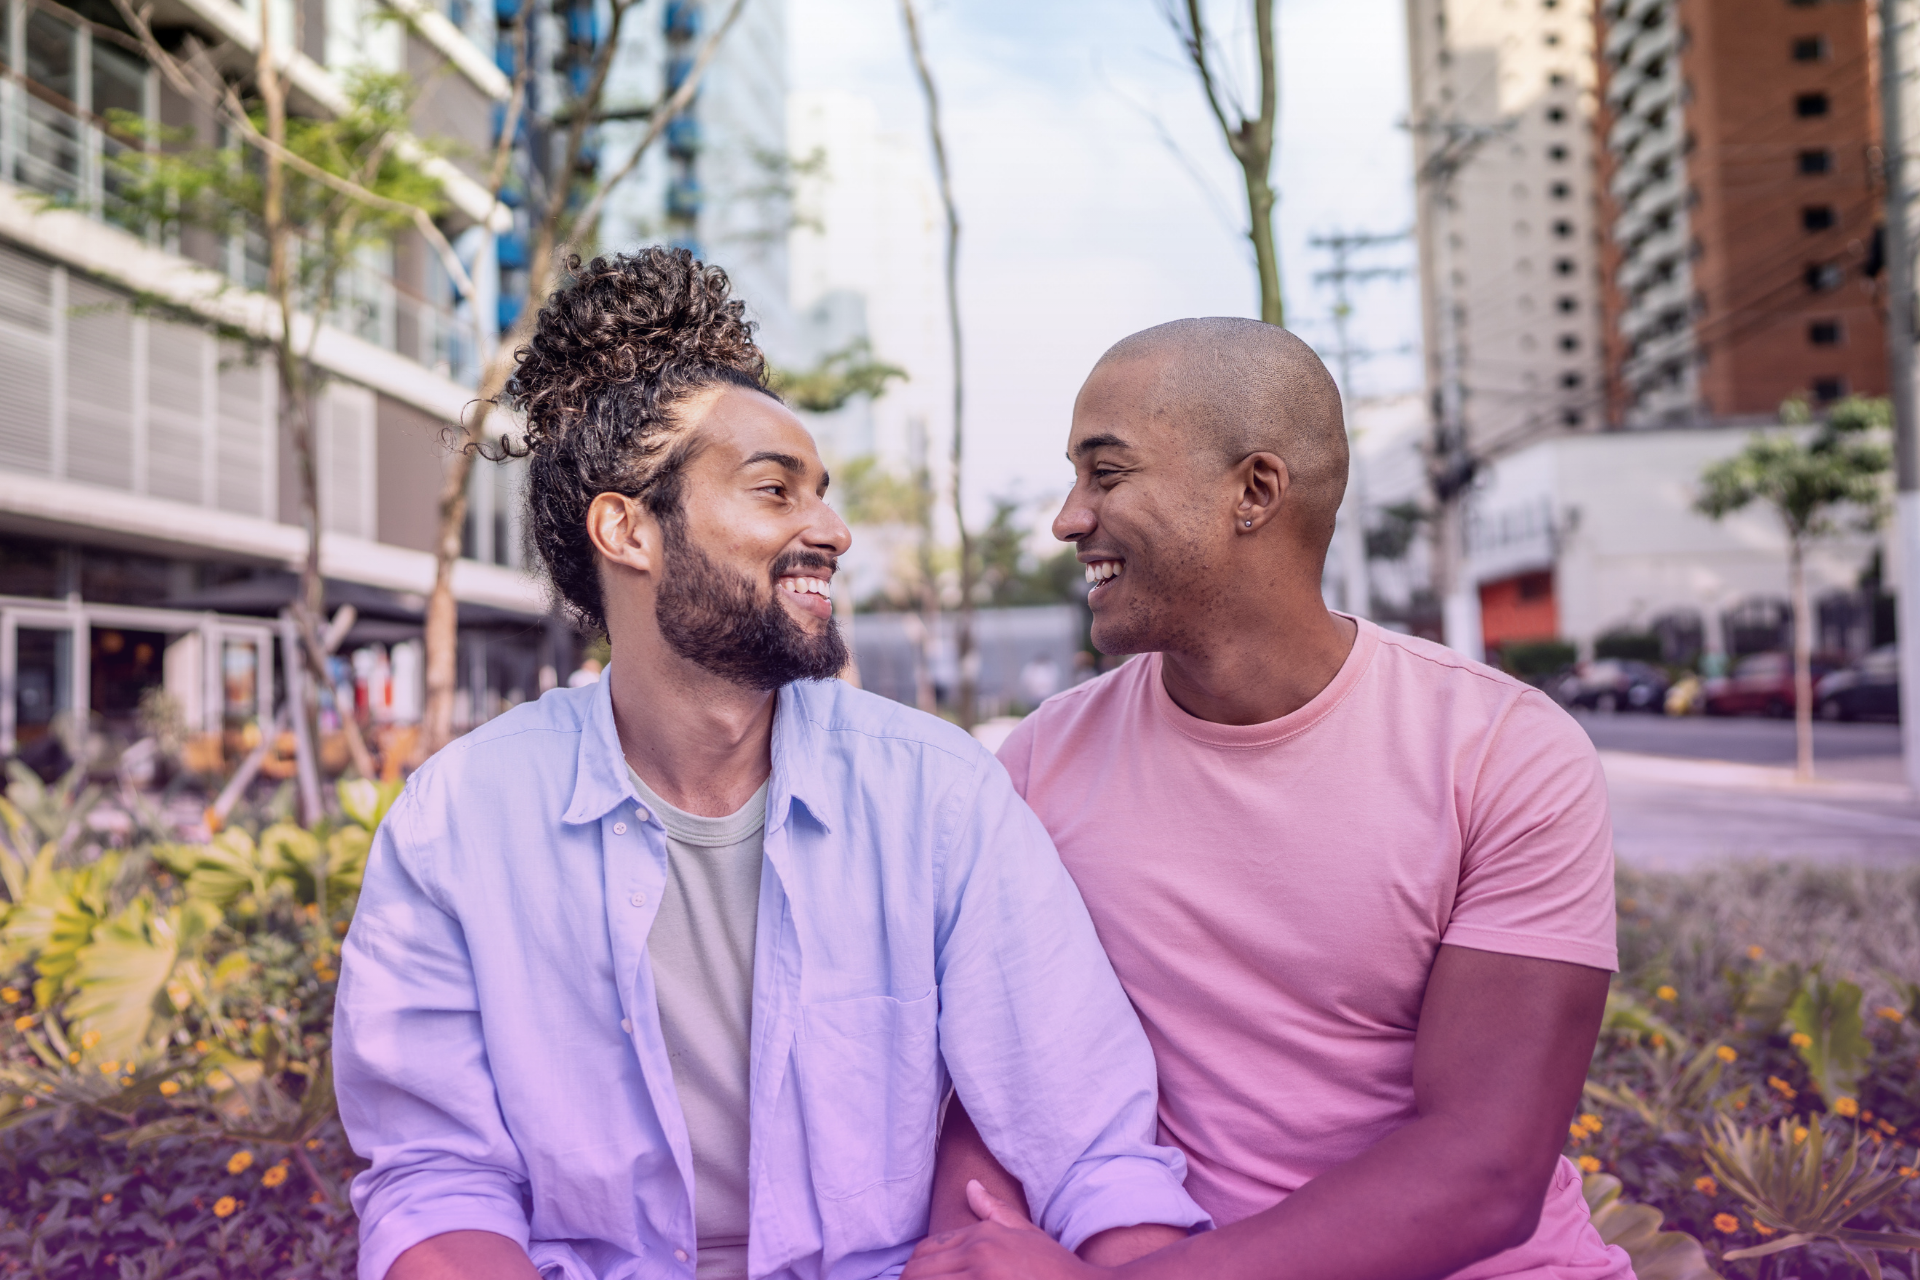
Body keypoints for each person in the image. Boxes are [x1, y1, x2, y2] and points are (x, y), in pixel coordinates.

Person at [333, 251, 1207, 1280]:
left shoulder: (937, 796)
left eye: (821, 495)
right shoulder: (457, 822)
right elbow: (436, 1177)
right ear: (627, 528)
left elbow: (1091, 1147)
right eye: (773, 491)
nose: (830, 531)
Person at [908, 318, 1629, 1280]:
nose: (1068, 518)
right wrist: (967, 1244)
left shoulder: (1503, 752)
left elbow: (1485, 1169)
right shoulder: (1041, 762)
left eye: (1107, 473)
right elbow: (1001, 1078)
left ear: (1253, 491)